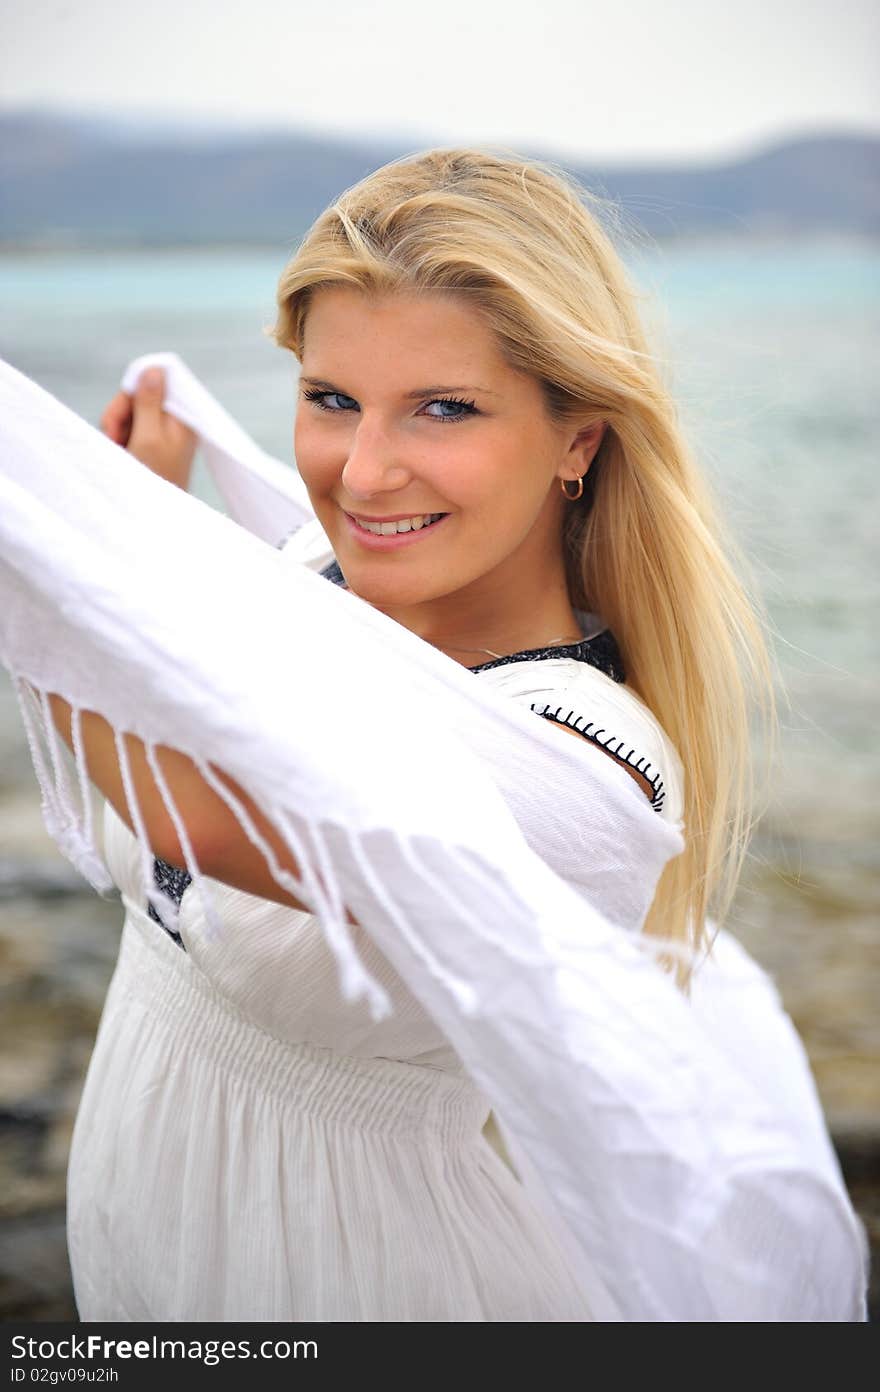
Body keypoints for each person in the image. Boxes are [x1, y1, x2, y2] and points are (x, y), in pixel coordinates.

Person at [36, 149, 862, 1320]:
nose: (364, 474)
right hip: (151, 1246)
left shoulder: (582, 769)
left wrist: (63, 559)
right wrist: (147, 517)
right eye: (331, 400)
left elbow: (195, 815)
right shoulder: (301, 585)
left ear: (577, 440)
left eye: (444, 408)